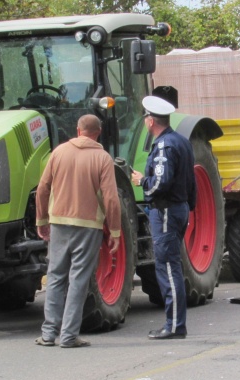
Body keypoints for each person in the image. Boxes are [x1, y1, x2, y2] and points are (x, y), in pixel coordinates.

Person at [35, 114, 121, 348]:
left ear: (77, 130)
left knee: (55, 276)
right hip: (88, 225)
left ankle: (48, 333)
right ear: (99, 132)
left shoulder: (59, 152)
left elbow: (42, 188)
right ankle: (69, 336)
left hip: (59, 222)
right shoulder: (103, 158)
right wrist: (114, 231)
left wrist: (41, 219)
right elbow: (111, 198)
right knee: (79, 279)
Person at [130, 96, 196, 339]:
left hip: (166, 210)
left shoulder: (163, 146)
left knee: (168, 268)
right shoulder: (180, 140)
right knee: (171, 266)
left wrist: (141, 181)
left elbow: (160, 182)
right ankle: (175, 323)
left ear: (150, 121)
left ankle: (175, 325)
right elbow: (191, 182)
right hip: (178, 208)